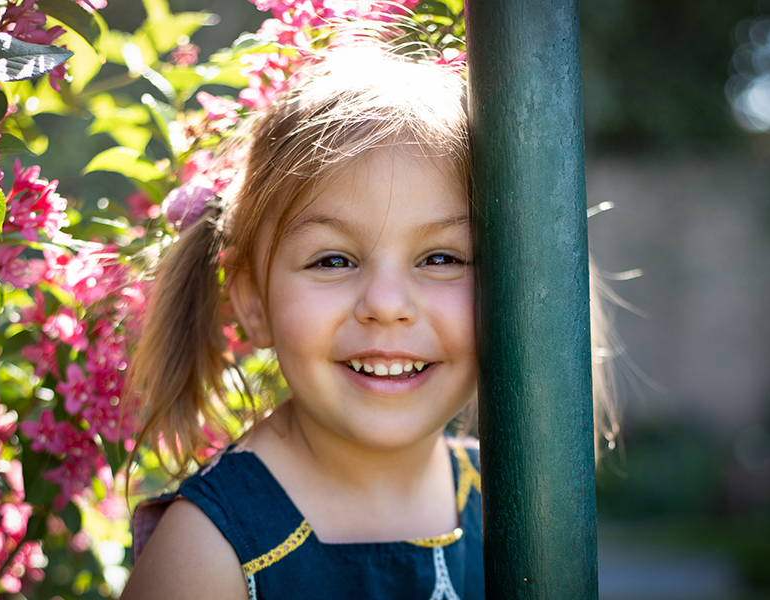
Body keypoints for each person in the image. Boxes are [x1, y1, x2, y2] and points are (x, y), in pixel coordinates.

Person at [120, 46, 615, 600]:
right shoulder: (207, 553)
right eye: (332, 260)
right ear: (253, 302)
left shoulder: (515, 508)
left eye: (442, 258)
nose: (385, 304)